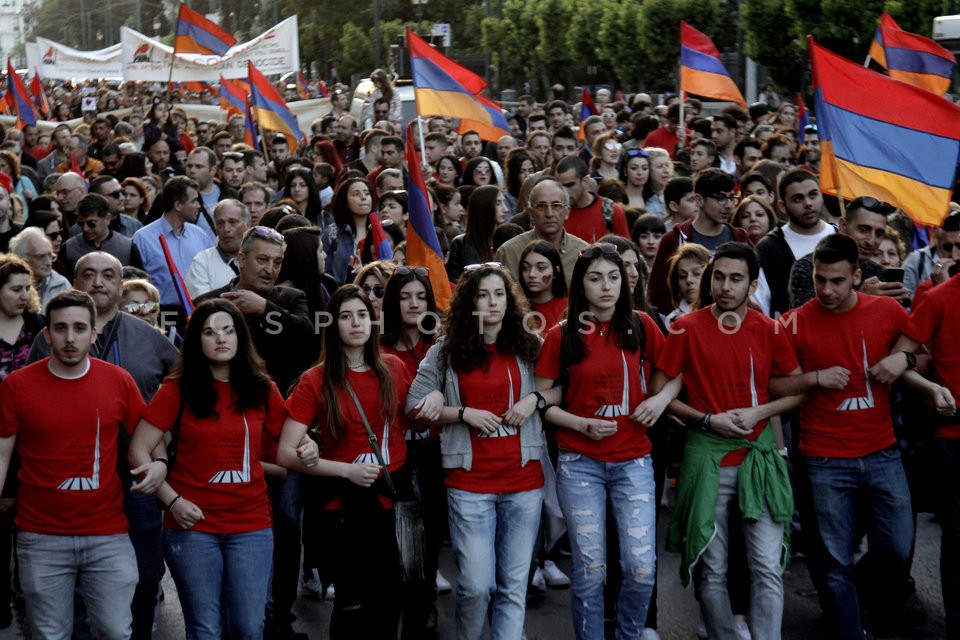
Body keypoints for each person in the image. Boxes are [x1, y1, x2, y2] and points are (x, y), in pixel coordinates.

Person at [655, 242, 803, 640]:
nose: (725, 285)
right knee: (713, 567)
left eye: (736, 278)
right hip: (707, 456)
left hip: (760, 457)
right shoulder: (684, 328)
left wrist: (760, 412)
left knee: (767, 567)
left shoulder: (771, 329)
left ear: (753, 285)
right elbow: (660, 393)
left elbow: (795, 390)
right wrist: (707, 419)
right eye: (718, 276)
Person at [774, 234, 918, 639]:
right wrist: (815, 378)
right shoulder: (796, 321)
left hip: (882, 452)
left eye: (837, 280)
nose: (826, 290)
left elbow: (922, 355)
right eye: (820, 279)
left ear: (857, 275)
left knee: (897, 547)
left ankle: (857, 596)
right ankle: (848, 627)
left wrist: (901, 358)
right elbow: (776, 385)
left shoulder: (887, 311)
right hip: (823, 458)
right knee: (834, 560)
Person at [127, 300, 298, 640]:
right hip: (192, 526)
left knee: (249, 628)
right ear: (196, 341)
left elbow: (291, 441)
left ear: (240, 338)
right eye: (209, 332)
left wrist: (307, 446)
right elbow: (138, 450)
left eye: (228, 330)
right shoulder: (176, 389)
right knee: (205, 630)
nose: (220, 338)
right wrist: (171, 501)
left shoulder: (263, 388)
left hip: (251, 525)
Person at [534, 242, 671, 640]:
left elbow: (674, 373)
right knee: (591, 571)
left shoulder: (644, 325)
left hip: (634, 463)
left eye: (613, 277)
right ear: (581, 285)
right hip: (580, 464)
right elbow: (543, 400)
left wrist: (659, 400)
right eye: (595, 278)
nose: (606, 286)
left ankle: (629, 634)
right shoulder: (562, 336)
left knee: (641, 568)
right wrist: (580, 424)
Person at [406, 264, 545, 640]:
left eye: (499, 294)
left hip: (524, 480)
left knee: (512, 587)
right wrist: (461, 413)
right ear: (470, 302)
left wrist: (534, 398)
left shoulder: (530, 345)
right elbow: (413, 408)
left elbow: (561, 388)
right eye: (483, 295)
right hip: (470, 484)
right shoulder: (445, 351)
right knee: (475, 587)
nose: (493, 302)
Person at [0, 290, 144, 639]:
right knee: (49, 634)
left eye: (80, 328)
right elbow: (2, 453)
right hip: (40, 535)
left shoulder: (119, 381)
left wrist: (160, 465)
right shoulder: (17, 386)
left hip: (107, 534)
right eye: (60, 328)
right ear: (46, 334)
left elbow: (149, 437)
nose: (70, 338)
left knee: (115, 631)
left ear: (93, 333)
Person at [278, 285, 413, 639]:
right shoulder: (314, 380)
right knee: (351, 603)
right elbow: (284, 452)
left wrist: (439, 405)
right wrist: (345, 470)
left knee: (389, 599)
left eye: (363, 315)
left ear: (373, 321)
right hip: (341, 506)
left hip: (390, 500)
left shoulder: (395, 368)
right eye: (346, 316)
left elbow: (417, 421)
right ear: (332, 325)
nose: (356, 323)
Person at [647, 169, 751, 313]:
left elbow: (754, 290)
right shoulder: (673, 239)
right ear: (699, 200)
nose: (728, 205)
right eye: (720, 198)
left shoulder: (740, 238)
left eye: (731, 198)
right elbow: (657, 295)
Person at [495, 178, 587, 288]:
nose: (549, 213)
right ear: (531, 213)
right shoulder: (509, 253)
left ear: (567, 212)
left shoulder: (582, 253)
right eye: (541, 206)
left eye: (556, 205)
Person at [186, 199, 249, 299]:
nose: (226, 229)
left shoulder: (259, 259)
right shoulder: (202, 262)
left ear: (248, 225)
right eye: (220, 223)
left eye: (233, 222)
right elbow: (201, 305)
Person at [445, 185, 508, 281]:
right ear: (484, 207)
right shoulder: (460, 244)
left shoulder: (508, 239)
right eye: (498, 203)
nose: (505, 209)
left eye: (504, 202)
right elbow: (453, 283)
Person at [9, 226, 70, 311]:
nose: (49, 263)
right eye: (41, 256)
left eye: (50, 255)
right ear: (22, 259)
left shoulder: (62, 285)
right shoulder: (6, 284)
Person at [518, 239, 568, 333]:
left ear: (556, 271)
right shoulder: (516, 309)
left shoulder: (570, 308)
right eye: (525, 268)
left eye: (541, 268)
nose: (531, 274)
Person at [663, 243, 711, 328]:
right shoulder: (672, 321)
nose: (689, 280)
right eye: (682, 276)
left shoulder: (725, 313)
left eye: (697, 274)